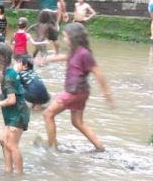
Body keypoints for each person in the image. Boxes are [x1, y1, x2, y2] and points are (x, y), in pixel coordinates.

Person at [41, 23, 113, 151]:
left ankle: (51, 146)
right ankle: (100, 147)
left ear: (73, 38)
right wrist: (46, 59)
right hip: (80, 92)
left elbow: (98, 73)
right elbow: (65, 57)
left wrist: (107, 95)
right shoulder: (77, 51)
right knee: (77, 122)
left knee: (48, 114)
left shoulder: (84, 53)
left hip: (74, 92)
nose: (64, 39)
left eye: (65, 36)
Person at [0, 43, 30, 174]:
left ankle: (19, 174)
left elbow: (12, 100)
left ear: (1, 60)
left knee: (12, 145)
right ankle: (8, 170)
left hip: (18, 114)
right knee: (2, 140)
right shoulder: (6, 72)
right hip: (12, 114)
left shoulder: (8, 77)